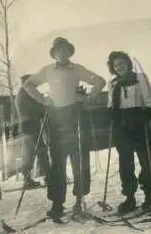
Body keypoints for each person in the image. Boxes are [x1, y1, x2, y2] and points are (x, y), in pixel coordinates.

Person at [21, 37, 106, 220]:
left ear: (70, 51)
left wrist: (89, 96)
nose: (62, 53)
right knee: (57, 163)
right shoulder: (47, 70)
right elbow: (28, 85)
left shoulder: (77, 69)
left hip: (75, 115)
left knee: (79, 161)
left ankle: (79, 201)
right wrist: (43, 99)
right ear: (54, 53)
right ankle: (57, 203)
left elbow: (100, 81)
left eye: (65, 49)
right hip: (56, 119)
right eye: (58, 50)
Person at [107, 51, 151, 214]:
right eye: (116, 65)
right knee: (125, 164)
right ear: (112, 68)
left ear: (128, 63)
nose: (119, 67)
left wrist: (148, 112)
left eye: (122, 63)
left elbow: (149, 99)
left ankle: (149, 196)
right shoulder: (113, 83)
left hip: (139, 121)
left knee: (146, 161)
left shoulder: (140, 78)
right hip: (122, 125)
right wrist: (111, 112)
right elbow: (110, 102)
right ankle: (129, 198)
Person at [15, 75, 51, 189]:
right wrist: (47, 103)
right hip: (31, 126)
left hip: (25, 127)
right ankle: (49, 177)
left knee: (28, 153)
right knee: (42, 150)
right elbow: (39, 107)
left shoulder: (20, 94)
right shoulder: (27, 93)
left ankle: (27, 178)